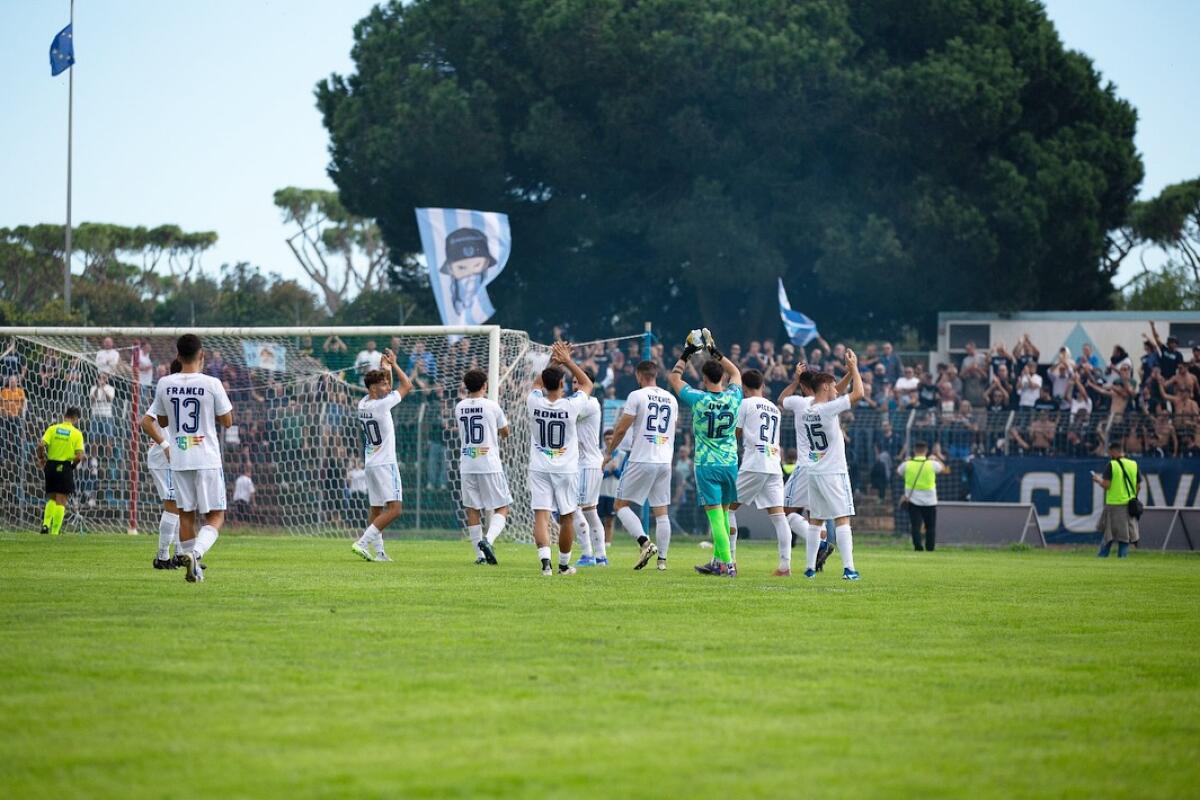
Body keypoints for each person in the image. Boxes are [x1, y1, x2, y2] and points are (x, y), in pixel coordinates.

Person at [150, 335, 233, 583]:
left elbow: (162, 421)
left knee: (185, 515)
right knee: (216, 515)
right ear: (202, 355)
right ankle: (195, 553)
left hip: (179, 458)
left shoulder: (164, 383)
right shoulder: (212, 383)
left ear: (178, 356)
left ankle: (193, 568)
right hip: (206, 457)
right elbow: (227, 421)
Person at [667, 329, 742, 577]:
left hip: (706, 465)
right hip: (730, 462)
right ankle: (720, 563)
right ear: (722, 377)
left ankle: (728, 562)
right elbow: (737, 373)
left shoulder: (698, 399)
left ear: (703, 378)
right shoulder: (733, 397)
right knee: (722, 514)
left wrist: (687, 353)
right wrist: (715, 352)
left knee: (715, 519)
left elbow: (674, 378)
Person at [527, 342, 594, 576]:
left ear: (545, 384)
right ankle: (564, 565)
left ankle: (545, 563)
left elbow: (537, 383)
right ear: (563, 384)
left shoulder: (534, 401)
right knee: (567, 517)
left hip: (539, 467)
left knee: (541, 516)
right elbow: (587, 383)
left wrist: (553, 363)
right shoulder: (571, 405)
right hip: (565, 469)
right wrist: (567, 360)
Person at [605, 360, 679, 571]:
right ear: (656, 375)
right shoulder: (671, 399)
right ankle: (662, 562)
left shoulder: (636, 396)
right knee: (661, 511)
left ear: (639, 376)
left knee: (620, 505)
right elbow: (672, 429)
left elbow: (620, 429)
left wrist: (609, 453)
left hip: (642, 458)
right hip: (664, 460)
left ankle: (645, 543)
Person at [801, 350, 865, 580]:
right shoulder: (828, 409)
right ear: (826, 387)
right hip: (833, 471)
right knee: (842, 518)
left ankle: (809, 569)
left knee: (815, 521)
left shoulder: (808, 409)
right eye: (832, 386)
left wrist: (847, 372)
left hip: (814, 471)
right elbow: (859, 393)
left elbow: (835, 390)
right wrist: (855, 368)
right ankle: (849, 569)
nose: (836, 389)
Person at [728, 369, 792, 576]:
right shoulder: (774, 408)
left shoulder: (745, 404)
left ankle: (730, 560)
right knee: (779, 516)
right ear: (762, 386)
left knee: (726, 509)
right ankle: (785, 566)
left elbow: (735, 434)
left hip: (754, 463)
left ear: (744, 388)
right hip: (774, 464)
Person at [351, 349, 413, 563]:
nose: (388, 387)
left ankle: (379, 553)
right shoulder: (381, 405)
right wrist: (394, 365)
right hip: (386, 463)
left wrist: (384, 370)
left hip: (371, 464)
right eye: (384, 384)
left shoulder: (363, 404)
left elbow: (387, 389)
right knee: (395, 510)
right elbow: (407, 386)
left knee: (376, 509)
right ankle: (362, 542)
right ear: (373, 388)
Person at [454, 368, 513, 566]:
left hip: (467, 463)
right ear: (485, 385)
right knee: (502, 506)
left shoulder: (459, 406)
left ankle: (479, 556)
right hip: (489, 463)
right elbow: (505, 432)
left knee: (472, 509)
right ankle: (487, 541)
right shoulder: (492, 406)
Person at [141, 359, 183, 568]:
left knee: (182, 506)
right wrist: (165, 444)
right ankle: (163, 557)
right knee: (173, 505)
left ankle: (180, 556)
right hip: (164, 459)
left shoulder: (181, 396)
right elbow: (145, 422)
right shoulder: (166, 395)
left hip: (177, 458)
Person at [571, 368, 607, 567]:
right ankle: (601, 556)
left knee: (574, 508)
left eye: (579, 382)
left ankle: (587, 554)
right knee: (591, 511)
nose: (575, 386)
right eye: (573, 382)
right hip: (588, 464)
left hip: (587, 464)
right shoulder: (581, 402)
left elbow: (568, 414)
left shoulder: (590, 403)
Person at [37, 407, 86, 536]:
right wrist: (73, 465)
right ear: (75, 418)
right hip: (64, 466)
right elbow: (80, 456)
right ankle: (55, 532)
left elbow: (41, 445)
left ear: (64, 415)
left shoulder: (52, 429)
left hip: (51, 465)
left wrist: (41, 458)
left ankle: (46, 525)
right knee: (62, 500)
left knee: (52, 497)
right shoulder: (76, 433)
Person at [1092, 442, 1142, 558]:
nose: (1109, 455)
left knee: (1109, 534)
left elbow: (1106, 485)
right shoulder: (1133, 464)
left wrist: (1098, 479)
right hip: (1129, 506)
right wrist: (1132, 497)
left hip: (1114, 505)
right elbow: (1139, 486)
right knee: (1125, 537)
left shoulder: (1112, 465)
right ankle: (1122, 559)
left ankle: (1102, 557)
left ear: (1114, 451)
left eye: (1110, 452)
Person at [897, 441, 947, 552]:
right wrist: (936, 458)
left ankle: (918, 546)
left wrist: (906, 460)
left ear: (915, 450)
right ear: (926, 451)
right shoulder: (931, 464)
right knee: (930, 526)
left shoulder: (908, 463)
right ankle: (930, 547)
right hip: (930, 500)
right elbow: (944, 469)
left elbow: (898, 471)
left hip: (913, 500)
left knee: (915, 526)